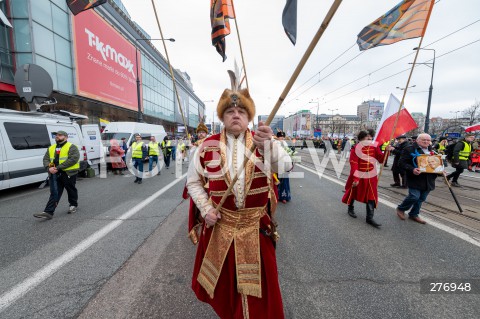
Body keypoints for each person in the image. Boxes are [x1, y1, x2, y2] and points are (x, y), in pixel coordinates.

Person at [187, 77, 290, 318]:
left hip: (256, 228)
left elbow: (286, 166)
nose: (236, 115)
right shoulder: (206, 146)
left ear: (249, 117)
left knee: (261, 299)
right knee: (226, 292)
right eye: (230, 111)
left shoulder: (263, 141)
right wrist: (205, 209)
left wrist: (269, 147)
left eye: (241, 111)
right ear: (222, 117)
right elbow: (193, 182)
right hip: (221, 228)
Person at [342, 129, 388, 228]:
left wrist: (386, 152)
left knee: (371, 195)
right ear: (361, 138)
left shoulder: (374, 147)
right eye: (367, 137)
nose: (370, 139)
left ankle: (369, 218)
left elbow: (380, 159)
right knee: (353, 192)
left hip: (371, 176)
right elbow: (354, 164)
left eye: (371, 137)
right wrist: (356, 179)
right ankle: (350, 208)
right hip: (358, 175)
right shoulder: (355, 149)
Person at [34, 131, 80, 220]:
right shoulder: (51, 148)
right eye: (56, 135)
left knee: (71, 189)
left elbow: (73, 159)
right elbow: (46, 159)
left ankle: (73, 204)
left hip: (68, 173)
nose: (57, 136)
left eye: (60, 135)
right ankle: (48, 212)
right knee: (55, 192)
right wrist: (49, 168)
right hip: (55, 174)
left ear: (66, 137)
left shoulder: (72, 147)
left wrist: (58, 168)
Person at [396, 134, 438, 224]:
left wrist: (441, 171)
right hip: (415, 178)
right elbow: (401, 163)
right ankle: (401, 208)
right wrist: (412, 169)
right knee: (414, 196)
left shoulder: (433, 151)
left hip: (429, 179)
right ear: (417, 140)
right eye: (423, 140)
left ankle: (414, 214)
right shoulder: (409, 149)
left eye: (428, 140)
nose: (426, 142)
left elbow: (437, 164)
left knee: (421, 198)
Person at [276, 131, 293, 204]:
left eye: (283, 137)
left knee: (285, 182)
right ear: (277, 137)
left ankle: (284, 197)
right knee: (277, 181)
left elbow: (290, 153)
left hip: (285, 165)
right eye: (280, 137)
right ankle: (276, 196)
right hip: (277, 165)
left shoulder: (285, 144)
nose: (282, 138)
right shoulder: (275, 144)